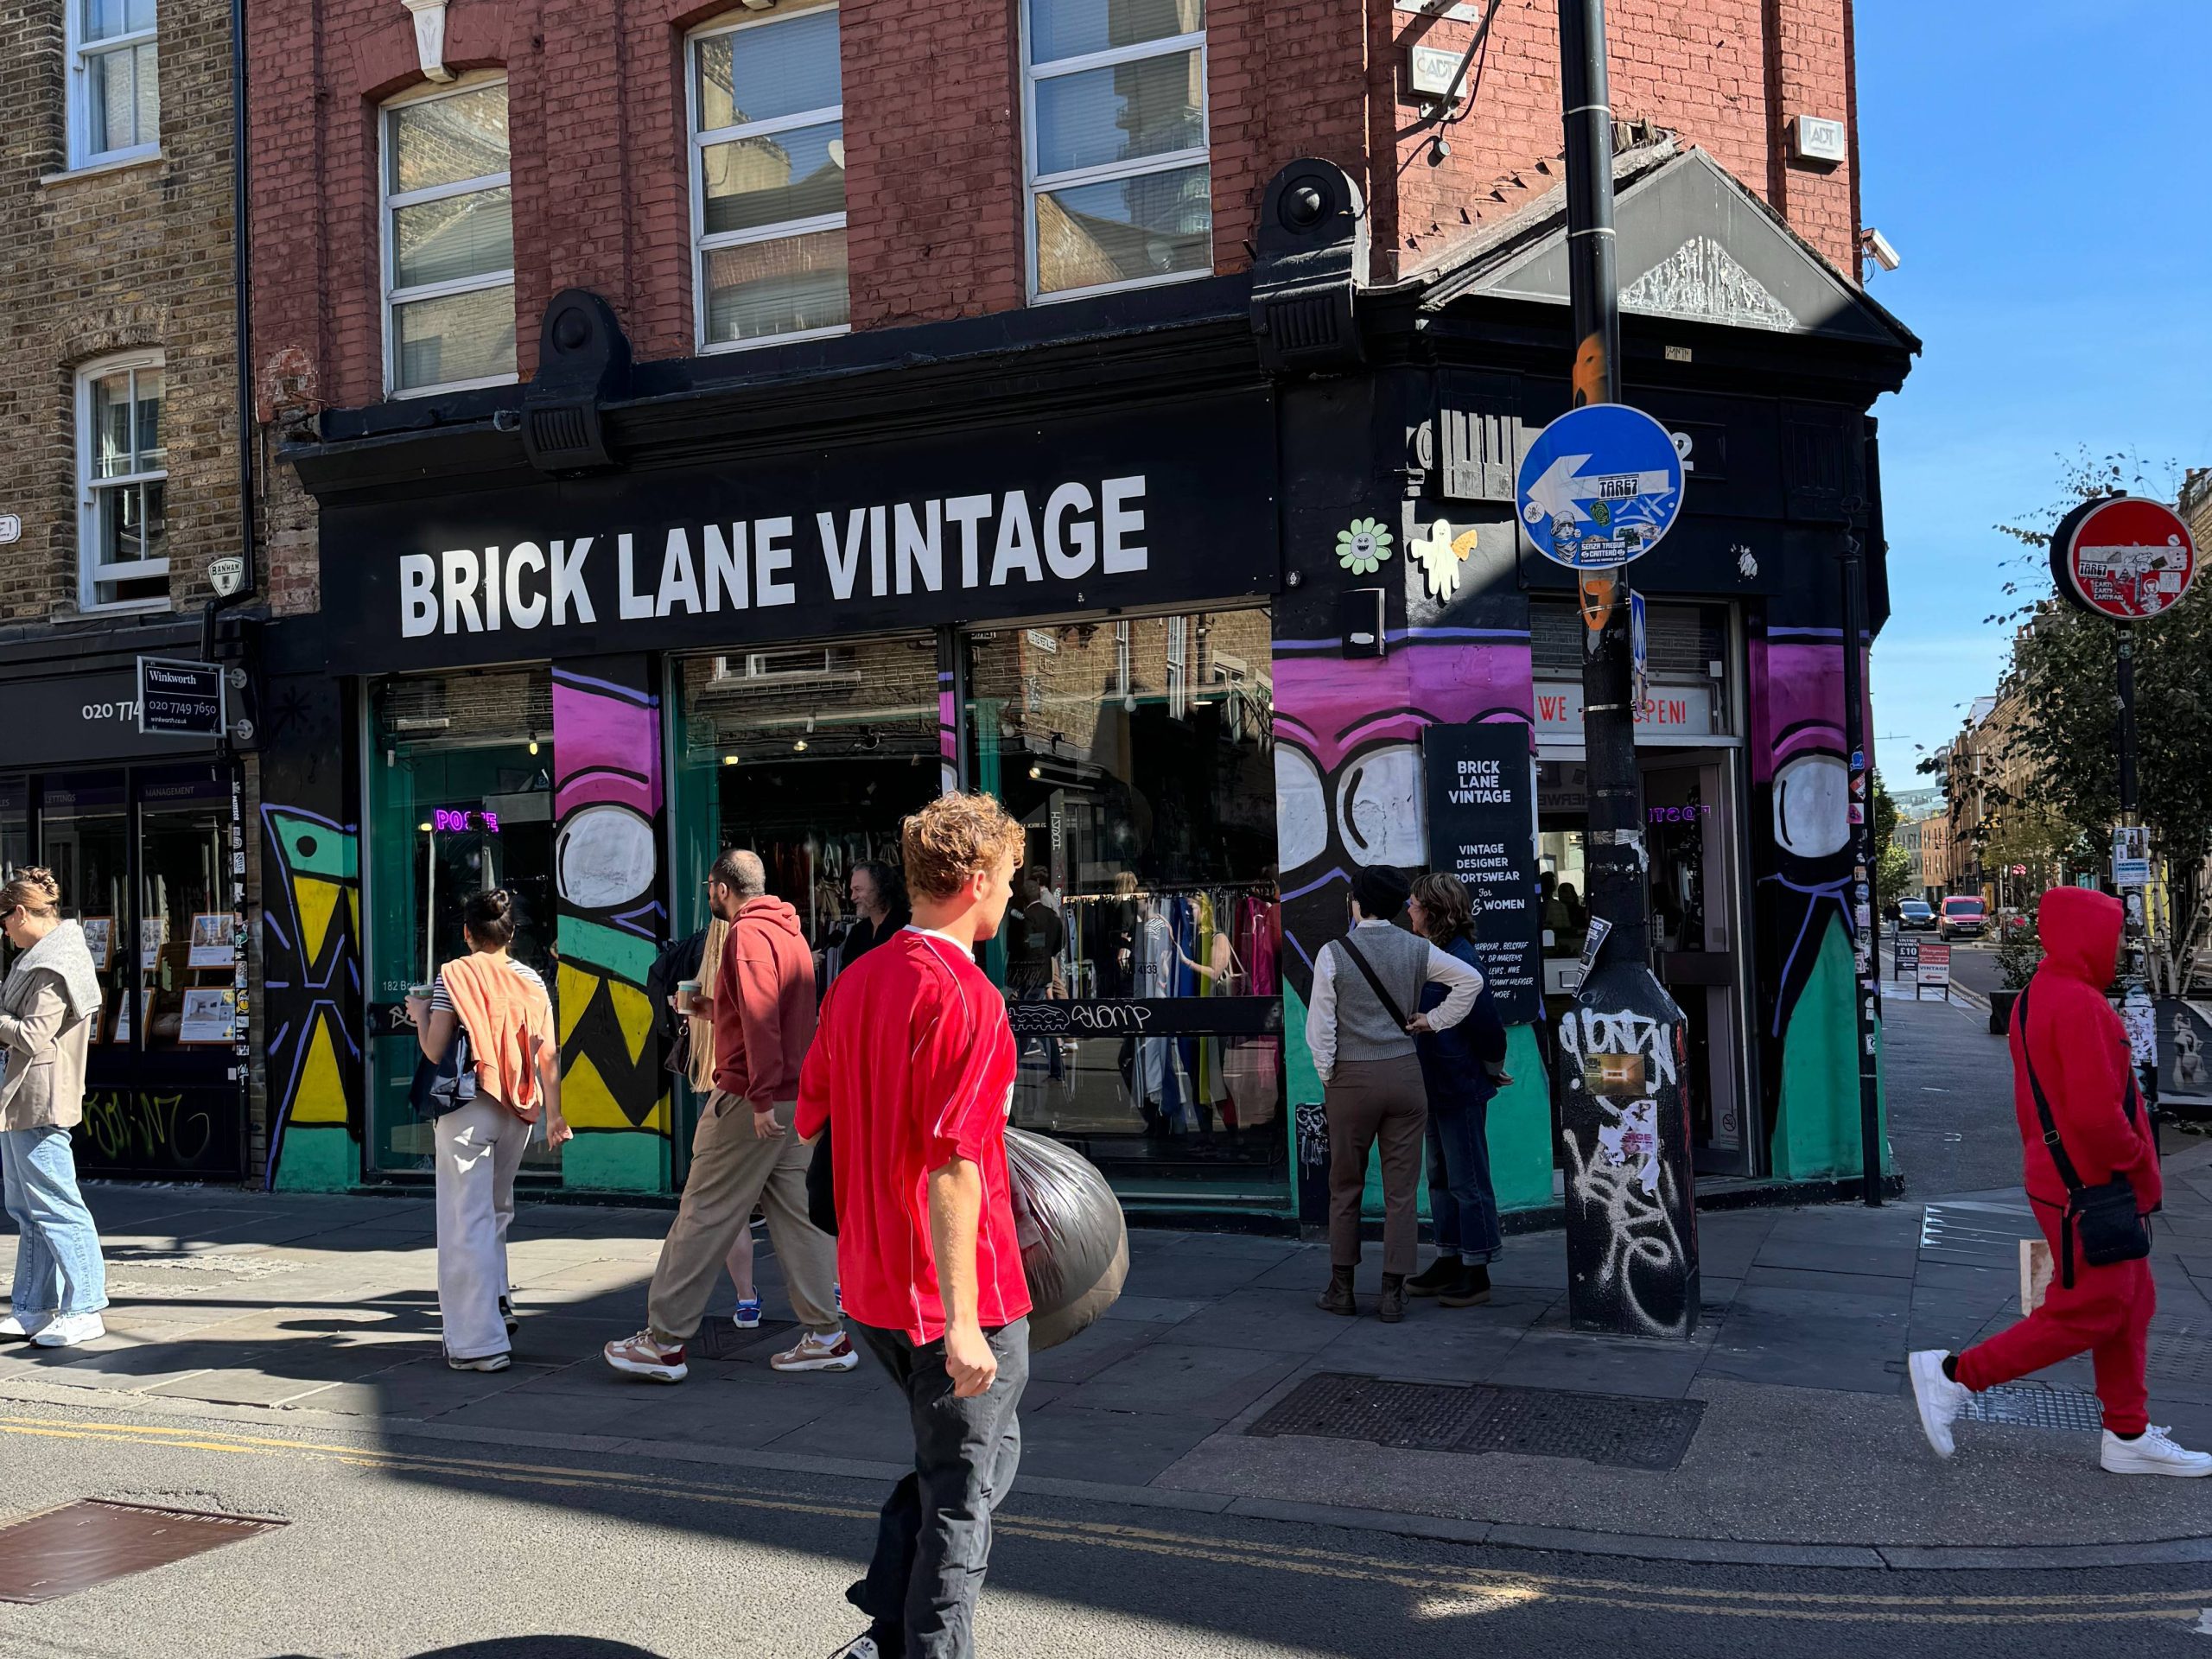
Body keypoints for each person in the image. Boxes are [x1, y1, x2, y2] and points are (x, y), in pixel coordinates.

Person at [798, 792, 1032, 1659]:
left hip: (871, 1288)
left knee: (966, 1464)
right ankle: (906, 1642)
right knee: (963, 1502)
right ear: (974, 883)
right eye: (1009, 878)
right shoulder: (967, 999)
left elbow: (812, 1116)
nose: (1012, 894)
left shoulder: (858, 979)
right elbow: (953, 1164)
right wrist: (965, 1323)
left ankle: (884, 1625)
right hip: (956, 1299)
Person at [1908, 886, 2210, 1476]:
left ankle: (2127, 1433)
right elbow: (2100, 1117)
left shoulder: (2039, 996)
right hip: (2091, 1186)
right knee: (2090, 1311)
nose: (2120, 948)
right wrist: (2138, 1164)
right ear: (2086, 936)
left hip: (2067, 1179)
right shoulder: (2080, 1005)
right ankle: (1953, 1377)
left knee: (2131, 1302)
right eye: (2113, 935)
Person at [604, 849, 849, 1382]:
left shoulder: (745, 936)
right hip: (793, 1095)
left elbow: (762, 1022)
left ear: (721, 887)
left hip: (749, 1099)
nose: (708, 895)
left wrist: (758, 1099)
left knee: (704, 1212)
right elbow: (776, 1014)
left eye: (709, 887)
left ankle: (664, 1342)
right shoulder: (789, 933)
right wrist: (710, 1010)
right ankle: (827, 1336)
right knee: (797, 1215)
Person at [1306, 864, 1482, 1323]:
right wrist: (1433, 1021)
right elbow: (1472, 982)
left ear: (1356, 903)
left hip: (1351, 1079)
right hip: (1406, 1075)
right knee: (1402, 1192)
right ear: (1398, 907)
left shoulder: (1333, 953)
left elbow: (1320, 1027)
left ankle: (1341, 1289)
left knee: (1345, 1186)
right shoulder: (1418, 948)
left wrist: (1330, 1075)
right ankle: (1392, 1294)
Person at [407, 889, 569, 1373]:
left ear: (466, 933)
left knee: (464, 1223)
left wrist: (419, 1016)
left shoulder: (452, 976)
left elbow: (436, 1050)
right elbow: (548, 1054)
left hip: (467, 1108)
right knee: (497, 1213)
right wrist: (555, 1115)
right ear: (511, 934)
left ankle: (479, 1344)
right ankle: (498, 1302)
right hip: (518, 1109)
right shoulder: (531, 980)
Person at [0, 868, 108, 1349]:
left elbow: (32, 1035)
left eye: (4, 920)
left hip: (40, 1097)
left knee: (58, 1206)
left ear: (21, 912)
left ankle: (85, 1307)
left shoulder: (55, 963)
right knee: (27, 1208)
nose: (3, 930)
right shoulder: (36, 957)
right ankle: (32, 1306)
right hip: (19, 1096)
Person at [1403, 873, 1511, 1308]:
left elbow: (1488, 1026)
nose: (1408, 910)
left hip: (1459, 1083)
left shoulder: (1461, 959)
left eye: (1413, 904)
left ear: (1431, 910)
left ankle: (1477, 1268)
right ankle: (1450, 1257)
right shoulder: (1433, 953)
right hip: (1434, 1083)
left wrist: (1492, 1068)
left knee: (1467, 1179)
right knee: (1441, 1177)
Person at [843, 860, 911, 968]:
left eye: (858, 889)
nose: (853, 897)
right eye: (852, 890)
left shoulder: (907, 928)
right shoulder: (858, 932)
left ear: (880, 888)